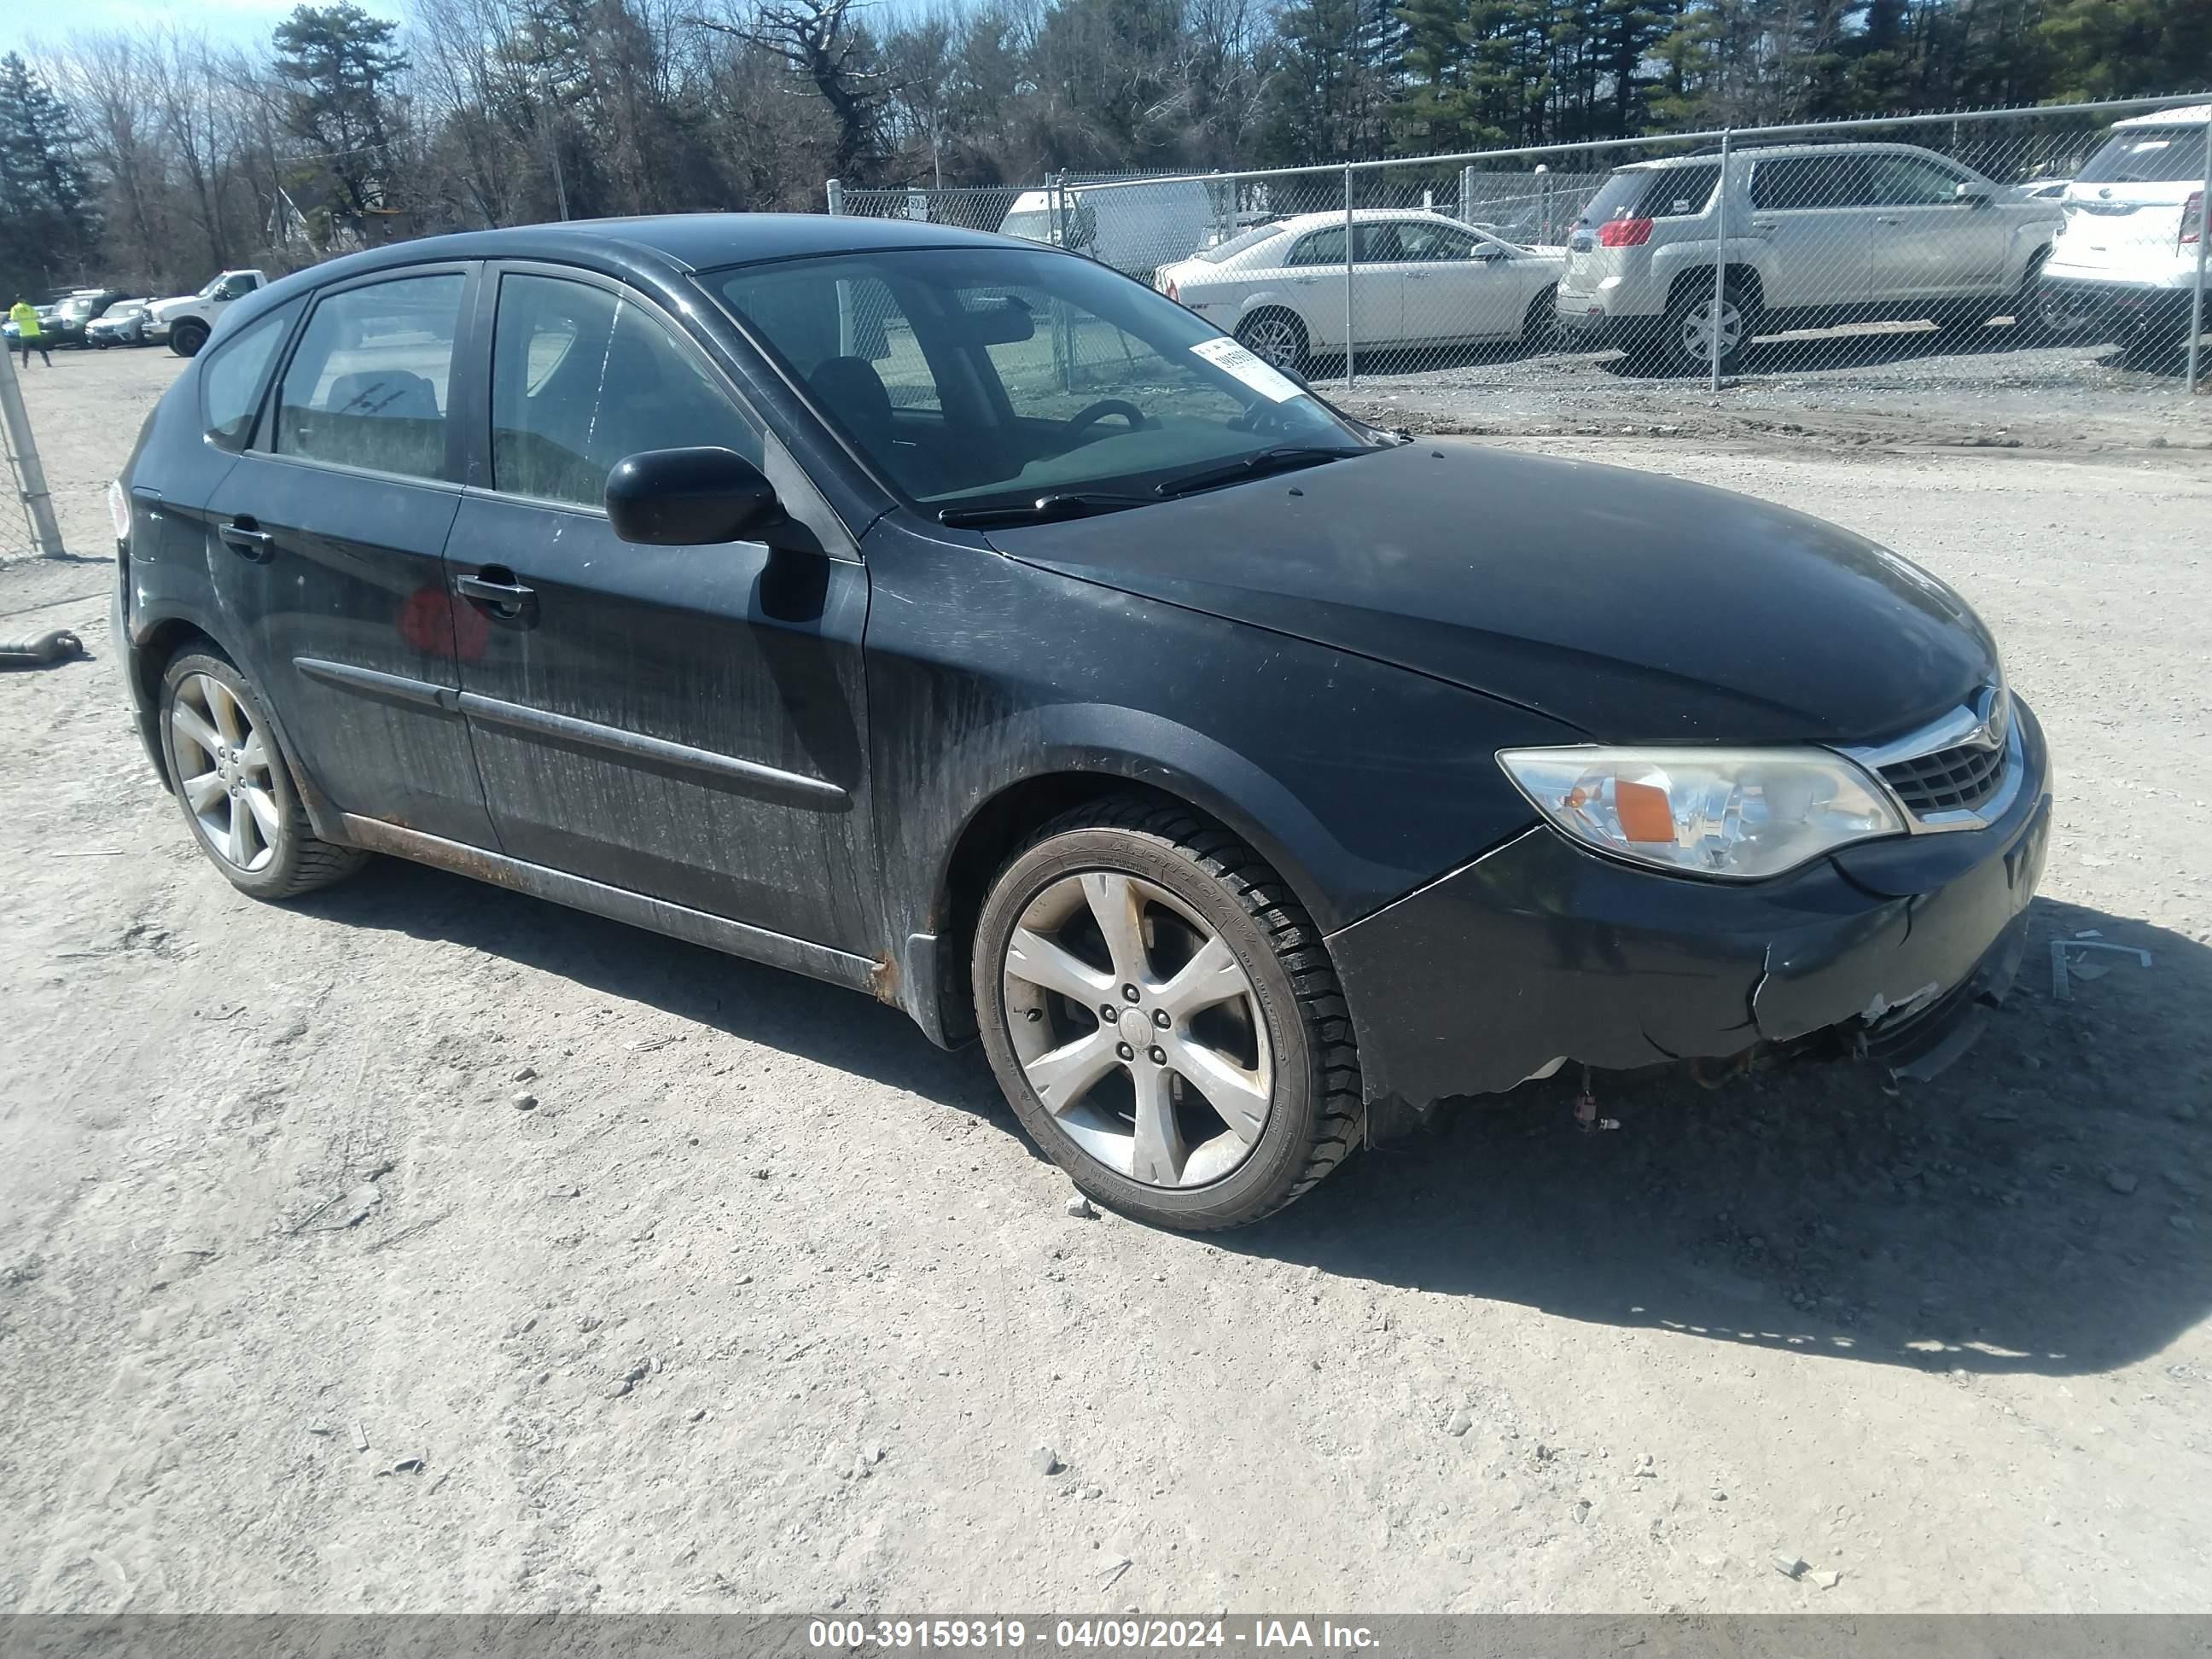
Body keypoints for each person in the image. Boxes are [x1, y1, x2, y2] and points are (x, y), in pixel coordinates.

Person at [9, 299, 50, 368]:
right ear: (24, 300)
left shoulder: (14, 308)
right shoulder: (30, 308)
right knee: (42, 349)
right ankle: (47, 363)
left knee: (25, 351)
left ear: (17, 300)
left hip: (24, 333)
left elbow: (14, 319)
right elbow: (37, 316)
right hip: (35, 331)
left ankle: (25, 365)